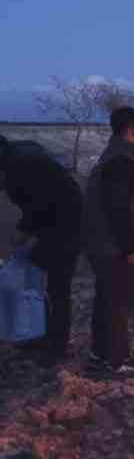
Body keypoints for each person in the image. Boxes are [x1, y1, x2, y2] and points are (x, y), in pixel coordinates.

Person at [81, 108, 134, 378]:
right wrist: (131, 247)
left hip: (104, 245)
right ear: (133, 129)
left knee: (106, 301)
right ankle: (116, 361)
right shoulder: (122, 161)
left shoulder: (112, 157)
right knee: (118, 304)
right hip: (115, 248)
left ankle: (99, 356)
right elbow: (119, 209)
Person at [0, 135, 83, 362]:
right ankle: (39, 335)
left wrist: (22, 232)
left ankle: (56, 348)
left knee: (57, 287)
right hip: (55, 225)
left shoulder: (20, 166)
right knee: (35, 282)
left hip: (67, 226)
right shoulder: (18, 157)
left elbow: (40, 204)